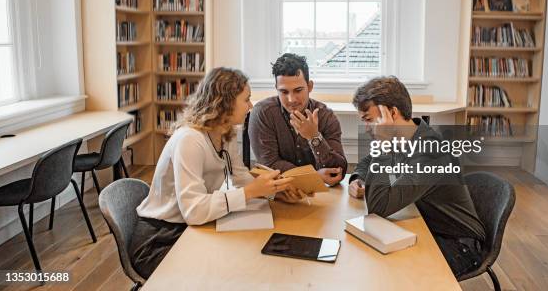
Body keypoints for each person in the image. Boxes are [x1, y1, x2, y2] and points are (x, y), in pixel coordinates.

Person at [131, 67, 303, 279]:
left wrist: (275, 191)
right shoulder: (190, 140)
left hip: (188, 229)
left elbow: (240, 177)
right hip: (159, 239)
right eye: (246, 99)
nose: (250, 106)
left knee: (243, 261)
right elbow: (193, 211)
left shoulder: (225, 132)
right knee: (225, 272)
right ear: (226, 103)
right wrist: (250, 192)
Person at [349, 76, 486, 278]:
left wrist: (384, 145)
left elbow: (379, 207)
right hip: (426, 226)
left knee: (378, 268)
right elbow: (365, 164)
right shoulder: (406, 136)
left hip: (457, 244)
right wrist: (357, 179)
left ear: (392, 113)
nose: (367, 128)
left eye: (369, 120)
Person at [249, 53, 347, 186]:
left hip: (320, 196)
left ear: (310, 86)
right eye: (284, 92)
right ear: (276, 89)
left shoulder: (326, 116)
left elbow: (338, 171)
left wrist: (314, 137)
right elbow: (269, 164)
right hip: (278, 192)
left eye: (298, 90)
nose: (291, 99)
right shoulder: (263, 113)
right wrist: (313, 176)